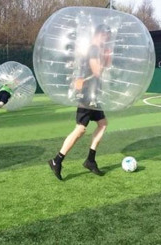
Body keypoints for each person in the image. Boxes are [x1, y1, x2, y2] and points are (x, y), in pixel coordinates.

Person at [48, 24, 112, 181]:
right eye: (106, 36)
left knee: (102, 124)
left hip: (93, 93)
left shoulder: (97, 49)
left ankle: (90, 160)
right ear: (100, 34)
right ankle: (57, 160)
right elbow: (97, 71)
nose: (107, 40)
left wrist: (107, 56)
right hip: (87, 94)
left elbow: (103, 68)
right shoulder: (94, 49)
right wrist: (106, 57)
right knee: (81, 129)